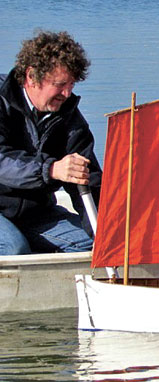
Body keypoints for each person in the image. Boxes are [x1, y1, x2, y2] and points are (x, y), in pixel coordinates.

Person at [0, 30, 102, 255]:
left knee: (97, 244)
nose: (66, 93)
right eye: (60, 84)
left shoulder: (69, 118)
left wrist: (109, 231)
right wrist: (52, 169)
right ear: (31, 76)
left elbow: (89, 181)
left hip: (34, 215)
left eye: (72, 85)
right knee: (14, 248)